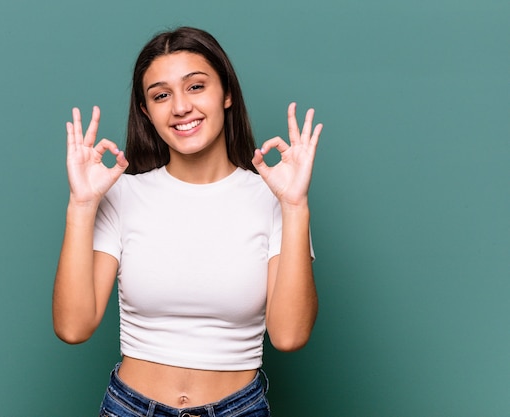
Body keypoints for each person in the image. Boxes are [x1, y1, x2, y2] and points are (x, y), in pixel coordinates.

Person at [52, 26, 323, 417]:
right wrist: (81, 205)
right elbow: (73, 328)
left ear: (226, 93)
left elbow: (289, 336)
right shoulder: (122, 195)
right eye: (161, 95)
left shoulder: (276, 196)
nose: (180, 107)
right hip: (130, 408)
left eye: (196, 87)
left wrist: (296, 206)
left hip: (238, 409)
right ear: (147, 111)